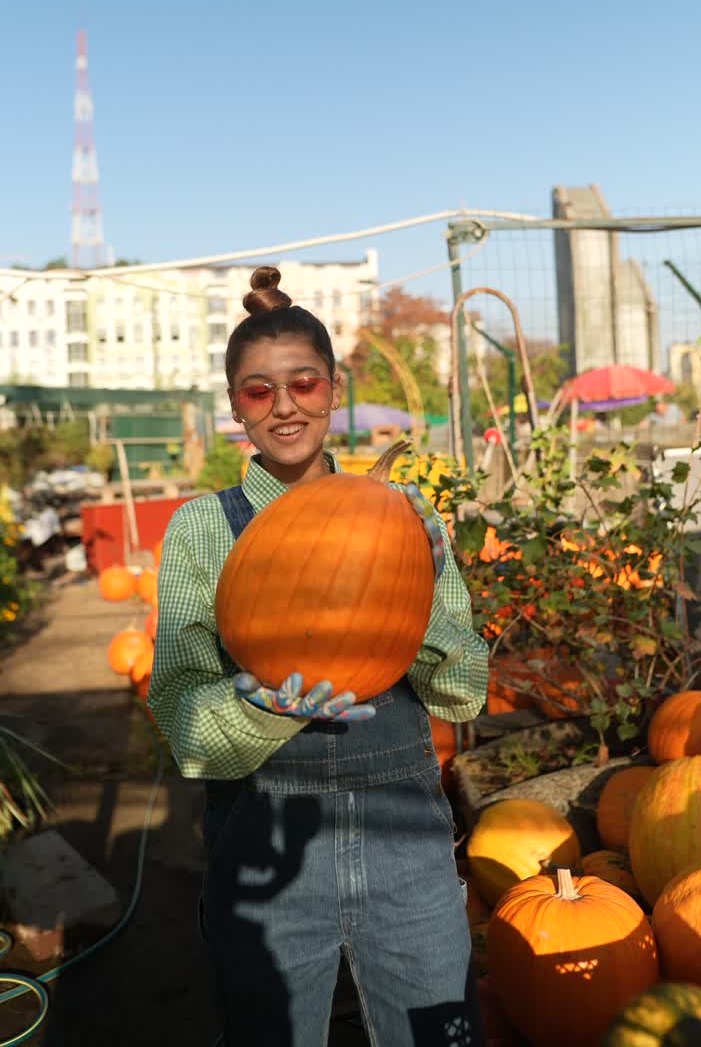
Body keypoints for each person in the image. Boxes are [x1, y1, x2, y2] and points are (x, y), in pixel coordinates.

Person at [148, 266, 488, 1047]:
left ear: (333, 387)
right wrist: (254, 710)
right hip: (267, 861)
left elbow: (462, 694)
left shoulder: (408, 515)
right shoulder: (205, 529)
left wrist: (430, 583)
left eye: (302, 382)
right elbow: (186, 722)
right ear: (236, 405)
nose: (285, 405)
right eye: (259, 391)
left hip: (406, 850)